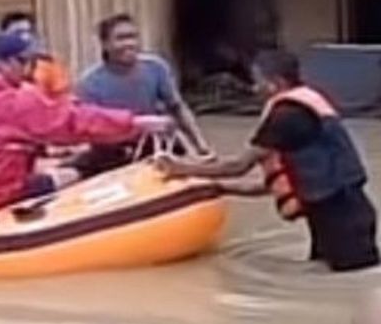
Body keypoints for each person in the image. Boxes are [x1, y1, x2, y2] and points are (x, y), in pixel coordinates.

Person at [0, 33, 174, 216]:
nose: (30, 70)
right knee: (75, 172)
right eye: (26, 62)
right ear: (4, 63)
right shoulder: (19, 101)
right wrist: (136, 122)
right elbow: (75, 123)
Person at [158, 50, 379, 272]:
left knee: (350, 281)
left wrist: (181, 168)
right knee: (325, 273)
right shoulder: (304, 104)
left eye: (258, 81)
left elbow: (237, 167)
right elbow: (276, 183)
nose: (254, 89)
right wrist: (221, 188)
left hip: (343, 221)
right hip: (340, 212)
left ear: (276, 83)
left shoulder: (286, 117)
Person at [74, 13, 212, 175]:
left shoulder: (155, 68)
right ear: (105, 44)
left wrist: (201, 147)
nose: (129, 44)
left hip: (155, 145)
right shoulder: (90, 83)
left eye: (133, 37)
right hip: (111, 151)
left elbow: (177, 108)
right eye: (121, 38)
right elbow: (89, 128)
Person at [0, 11, 71, 99]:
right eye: (18, 32)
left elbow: (62, 100)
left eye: (29, 32)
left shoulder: (50, 65)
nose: (25, 36)